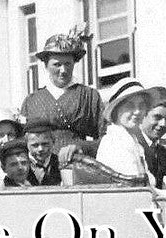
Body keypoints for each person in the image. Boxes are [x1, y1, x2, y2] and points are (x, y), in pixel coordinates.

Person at [19, 25, 105, 158]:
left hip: (79, 165)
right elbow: (21, 142)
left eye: (67, 64)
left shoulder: (89, 96)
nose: (63, 70)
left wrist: (82, 147)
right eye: (57, 64)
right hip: (43, 170)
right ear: (46, 65)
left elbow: (107, 138)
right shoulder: (31, 100)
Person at [96, 78, 154, 185]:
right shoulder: (114, 141)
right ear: (116, 109)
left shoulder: (132, 139)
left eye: (141, 106)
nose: (137, 111)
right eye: (130, 106)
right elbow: (134, 185)